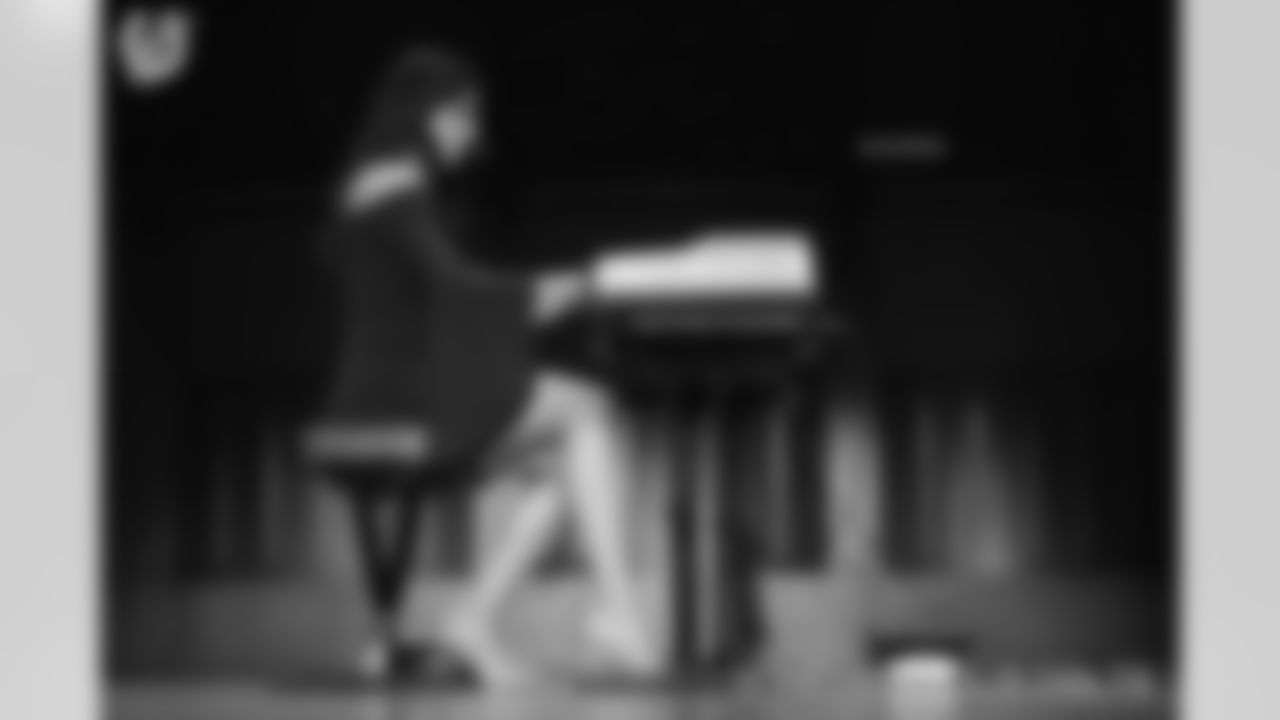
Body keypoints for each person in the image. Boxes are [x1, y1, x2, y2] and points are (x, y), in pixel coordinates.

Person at [318, 46, 660, 688]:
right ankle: (612, 612)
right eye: (464, 116)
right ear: (425, 111)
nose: (472, 135)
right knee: (590, 409)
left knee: (564, 467)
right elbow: (456, 286)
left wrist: (539, 293)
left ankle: (478, 620)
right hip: (396, 390)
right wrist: (551, 287)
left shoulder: (367, 183)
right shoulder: (397, 181)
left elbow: (429, 293)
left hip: (379, 382)